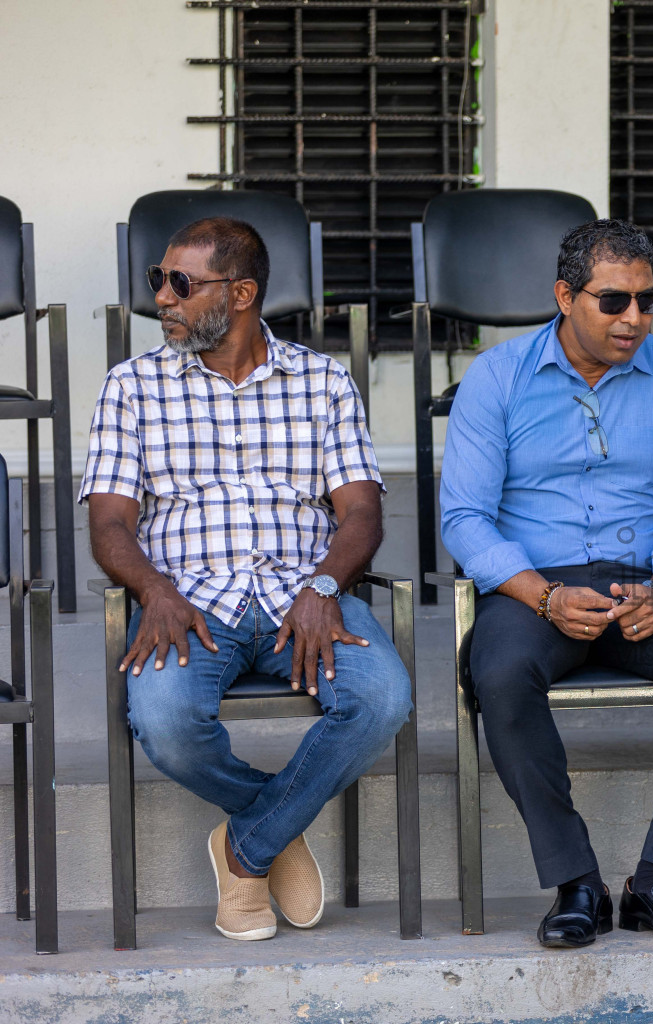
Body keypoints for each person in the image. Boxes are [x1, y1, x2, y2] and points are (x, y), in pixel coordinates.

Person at [81, 217, 414, 942]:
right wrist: (153, 590)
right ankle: (274, 830)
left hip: (305, 595)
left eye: (180, 284)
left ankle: (244, 849)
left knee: (383, 698)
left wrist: (325, 588)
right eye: (156, 282)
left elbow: (361, 512)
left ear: (240, 293)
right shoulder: (132, 386)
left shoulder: (322, 380)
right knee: (165, 723)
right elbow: (108, 524)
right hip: (189, 603)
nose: (162, 299)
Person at [438, 219, 653, 948]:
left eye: (648, 302)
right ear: (564, 296)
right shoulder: (499, 376)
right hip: (535, 588)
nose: (635, 320)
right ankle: (575, 879)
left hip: (645, 588)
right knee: (498, 667)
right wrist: (541, 594)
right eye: (614, 302)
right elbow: (463, 516)